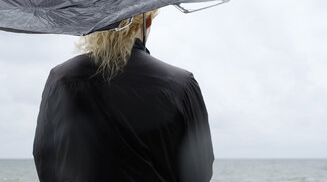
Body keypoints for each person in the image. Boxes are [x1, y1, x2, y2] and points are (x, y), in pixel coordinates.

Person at [33, 9, 215, 181]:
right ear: (148, 20)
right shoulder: (181, 84)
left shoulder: (60, 79)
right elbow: (200, 171)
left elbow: (44, 160)